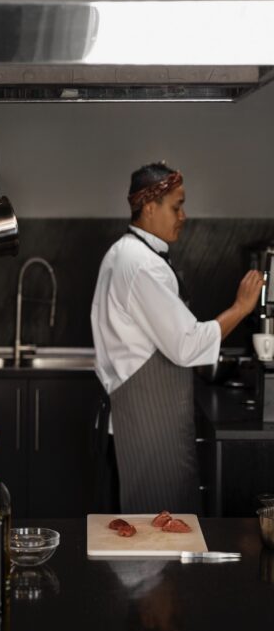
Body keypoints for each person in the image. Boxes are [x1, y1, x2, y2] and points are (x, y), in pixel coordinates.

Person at [90, 161, 262, 513]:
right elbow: (187, 344)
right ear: (149, 208)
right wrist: (241, 307)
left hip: (141, 414)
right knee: (160, 524)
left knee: (154, 524)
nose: (183, 216)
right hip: (149, 422)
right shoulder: (141, 264)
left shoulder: (124, 252)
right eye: (177, 206)